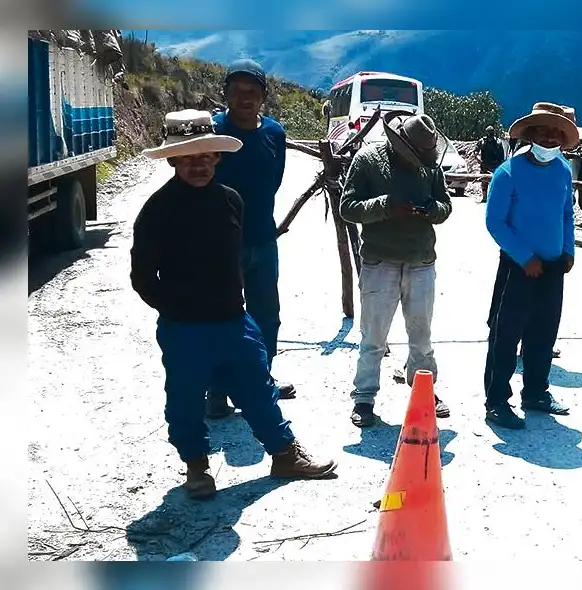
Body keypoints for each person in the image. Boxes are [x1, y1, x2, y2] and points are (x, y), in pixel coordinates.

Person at [130, 109, 337, 500]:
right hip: (185, 328)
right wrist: (176, 310)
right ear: (173, 160)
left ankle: (284, 453)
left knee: (258, 387)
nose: (199, 164)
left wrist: (234, 301)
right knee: (186, 399)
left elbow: (233, 260)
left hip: (233, 320)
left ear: (218, 158)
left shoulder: (230, 201)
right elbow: (142, 279)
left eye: (206, 156)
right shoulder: (157, 211)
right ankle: (196, 467)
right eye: (189, 157)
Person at [339, 112, 453, 428]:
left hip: (421, 261)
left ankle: (423, 390)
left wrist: (432, 210)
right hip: (380, 262)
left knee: (421, 335)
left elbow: (445, 206)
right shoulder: (367, 160)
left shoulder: (430, 166)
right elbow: (347, 208)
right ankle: (364, 398)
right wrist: (386, 205)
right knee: (373, 337)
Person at [206, 58, 294, 420]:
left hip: (263, 239)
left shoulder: (274, 133)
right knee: (221, 317)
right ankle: (217, 391)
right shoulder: (212, 131)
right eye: (237, 91)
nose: (245, 98)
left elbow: (274, 180)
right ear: (225, 94)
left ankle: (260, 380)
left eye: (253, 92)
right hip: (221, 245)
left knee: (266, 316)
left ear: (263, 97)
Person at [482, 102, 577, 430]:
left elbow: (566, 212)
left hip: (552, 267)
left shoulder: (563, 170)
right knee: (505, 334)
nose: (550, 139)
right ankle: (496, 401)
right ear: (531, 135)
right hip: (518, 268)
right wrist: (525, 256)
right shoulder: (508, 172)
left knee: (544, 332)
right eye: (543, 132)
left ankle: (536, 392)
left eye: (556, 134)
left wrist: (568, 249)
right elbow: (495, 222)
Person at [476, 125, 506, 203]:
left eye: (491, 132)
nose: (490, 134)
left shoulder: (498, 142)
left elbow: (502, 155)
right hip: (485, 165)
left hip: (495, 164)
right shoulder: (482, 141)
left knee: (496, 182)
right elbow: (475, 152)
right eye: (489, 132)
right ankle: (485, 198)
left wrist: (501, 165)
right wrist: (478, 159)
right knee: (484, 182)